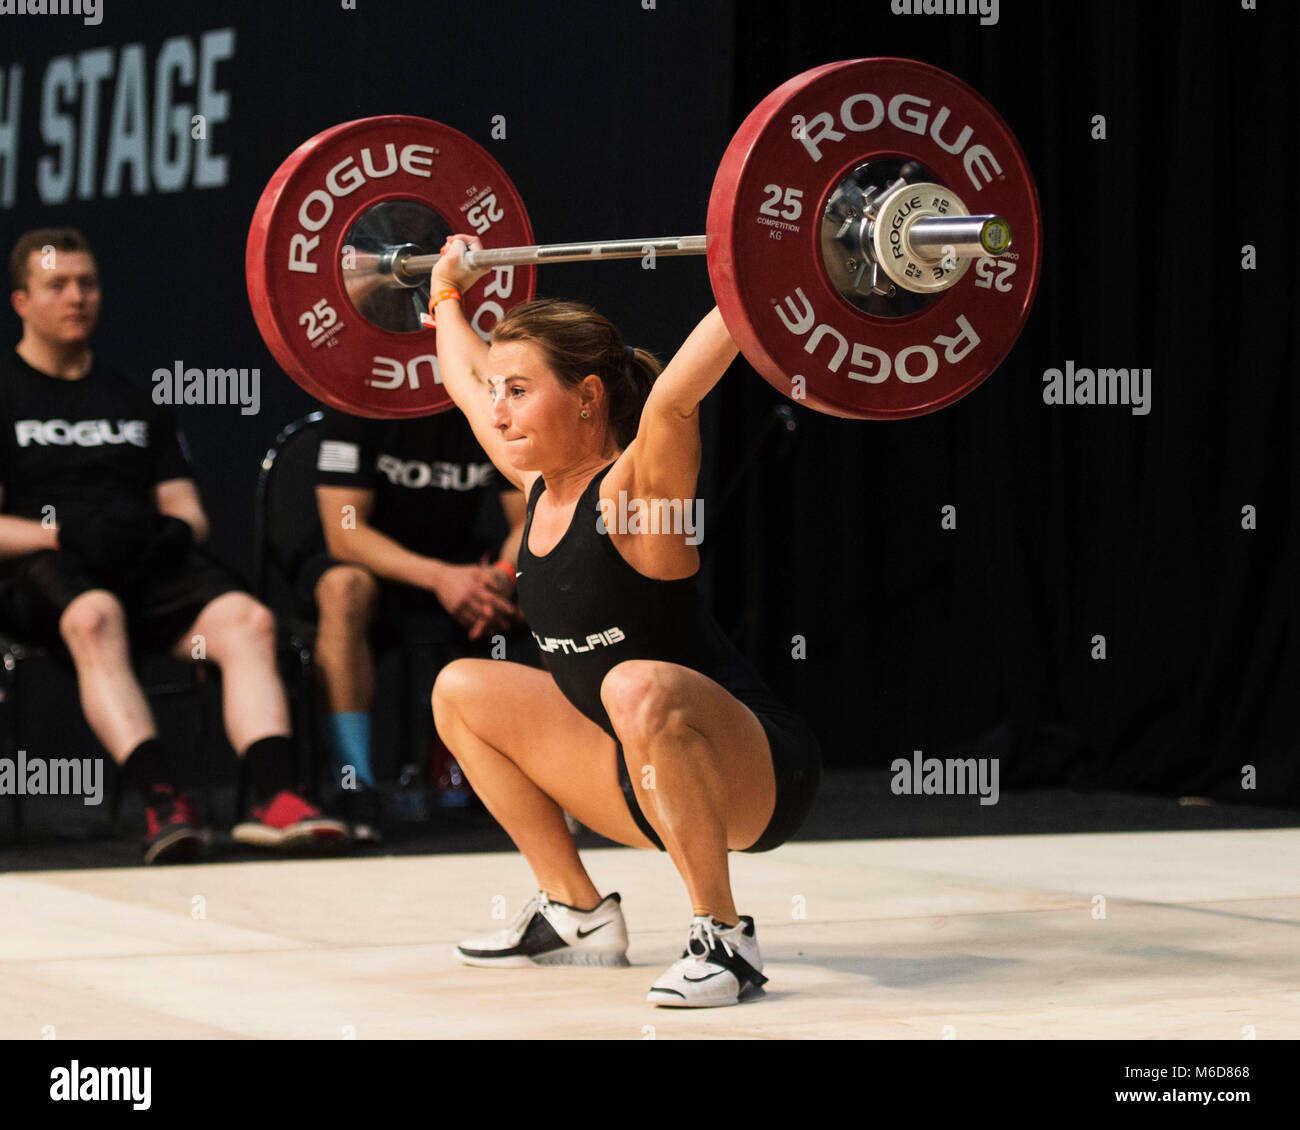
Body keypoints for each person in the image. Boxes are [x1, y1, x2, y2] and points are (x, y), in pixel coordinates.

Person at [428, 233, 822, 1007]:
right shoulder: (537, 484)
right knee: (459, 690)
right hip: (635, 776)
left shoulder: (635, 495)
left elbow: (676, 393)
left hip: (757, 773)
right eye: (499, 392)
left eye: (520, 391)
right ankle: (576, 911)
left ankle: (725, 938)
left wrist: (765, 274)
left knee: (636, 685)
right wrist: (445, 295)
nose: (498, 410)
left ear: (586, 397)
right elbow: (467, 380)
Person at [0, 227, 348, 863]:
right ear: (22, 301)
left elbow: (186, 509)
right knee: (94, 615)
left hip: (143, 566)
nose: (77, 297)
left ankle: (276, 800)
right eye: (58, 285)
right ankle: (163, 802)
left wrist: (171, 535)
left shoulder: (131, 395)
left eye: (87, 283)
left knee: (249, 619)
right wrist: (62, 531)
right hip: (46, 574)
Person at [296, 405, 526, 840]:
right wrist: (440, 578)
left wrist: (499, 577)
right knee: (343, 588)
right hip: (373, 566)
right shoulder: (358, 409)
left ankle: (571, 781)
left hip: (464, 566)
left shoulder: (487, 408)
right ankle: (354, 784)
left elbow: (531, 515)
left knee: (551, 584)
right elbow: (345, 533)